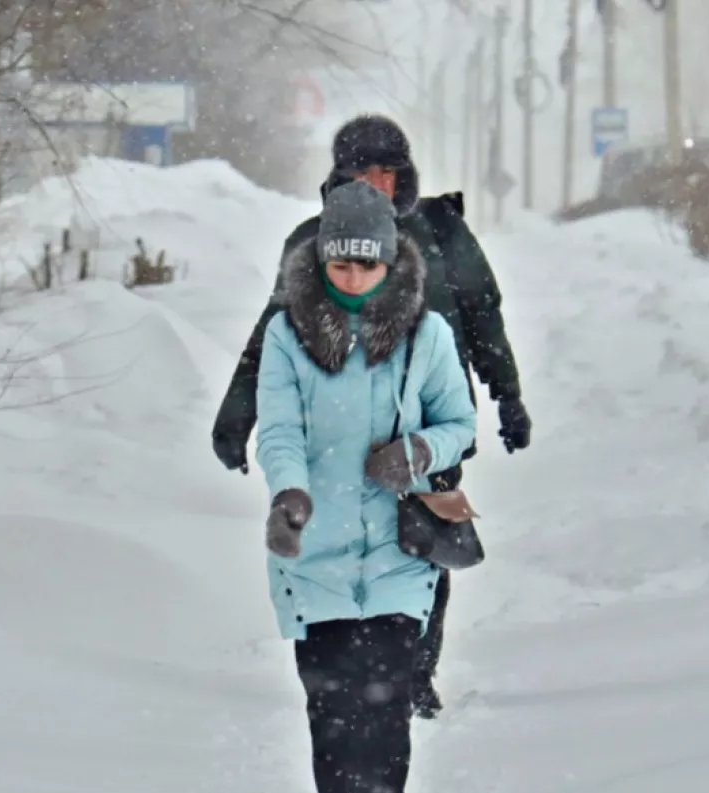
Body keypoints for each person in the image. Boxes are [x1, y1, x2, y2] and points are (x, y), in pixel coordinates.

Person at [215, 114, 531, 720]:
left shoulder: (440, 231)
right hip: (337, 424)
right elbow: (271, 336)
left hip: (433, 421)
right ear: (339, 176)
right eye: (361, 171)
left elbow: (483, 316)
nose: (375, 183)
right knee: (349, 544)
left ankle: (415, 669)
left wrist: (507, 396)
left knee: (426, 540)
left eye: (386, 172)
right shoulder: (314, 242)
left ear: (403, 176)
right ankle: (353, 663)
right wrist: (237, 418)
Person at [256, 180, 477, 793]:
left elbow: (459, 424)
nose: (352, 279)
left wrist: (418, 453)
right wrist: (289, 494)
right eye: (340, 265)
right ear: (321, 260)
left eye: (366, 265)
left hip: (396, 550)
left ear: (390, 262)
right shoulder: (287, 334)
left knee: (382, 702)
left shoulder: (426, 335)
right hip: (312, 549)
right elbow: (281, 429)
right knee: (333, 700)